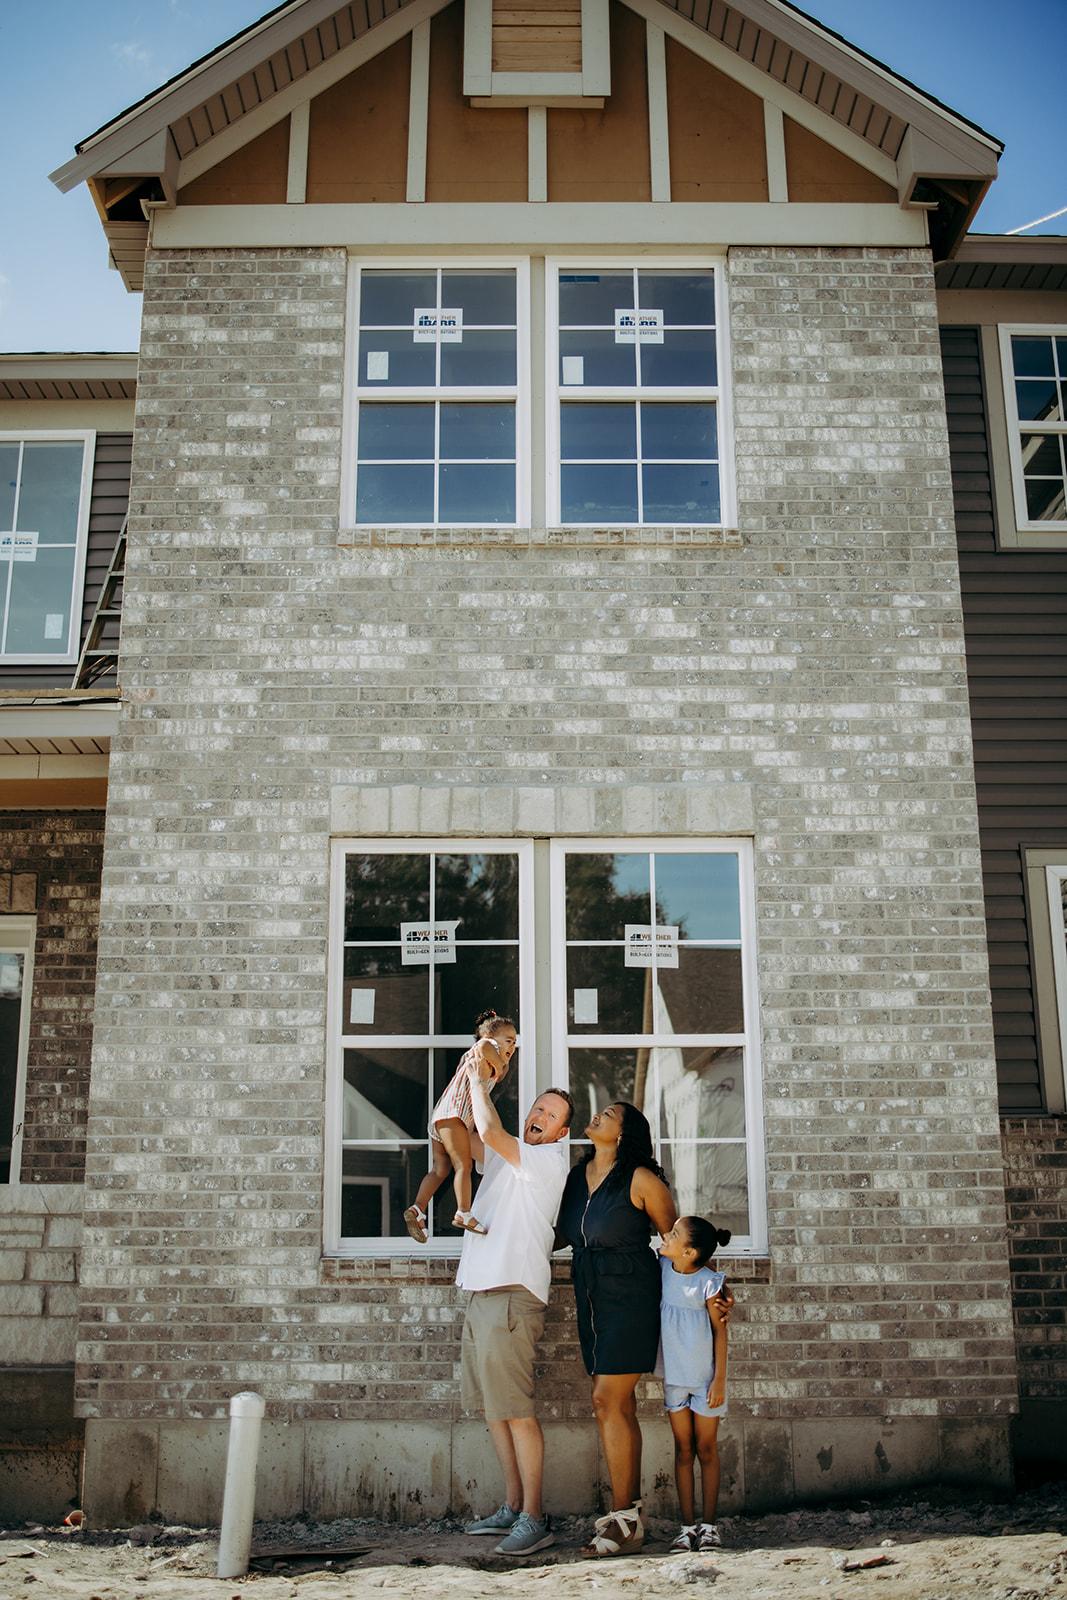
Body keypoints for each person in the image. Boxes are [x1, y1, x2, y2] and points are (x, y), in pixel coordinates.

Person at [457, 1051, 574, 1558]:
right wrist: (466, 1077)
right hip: (481, 1291)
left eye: (550, 1115)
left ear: (563, 1133)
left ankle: (534, 1517)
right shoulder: (507, 1161)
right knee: (493, 1411)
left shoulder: (548, 1161)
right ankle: (510, 1506)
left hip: (512, 1295)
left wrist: (482, 1084)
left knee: (518, 1412)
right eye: (537, 1109)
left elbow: (489, 1134)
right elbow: (465, 1138)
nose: (539, 1117)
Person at [555, 1101, 676, 1559]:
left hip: (631, 1295)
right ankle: (630, 1520)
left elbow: (675, 1240)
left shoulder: (642, 1179)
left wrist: (704, 1297)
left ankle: (624, 1516)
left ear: (624, 1133)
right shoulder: (575, 1176)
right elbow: (560, 1233)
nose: (597, 1116)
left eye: (609, 1114)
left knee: (607, 1399)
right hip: (589, 1294)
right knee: (616, 1404)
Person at [403, 1009, 516, 1242]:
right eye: (509, 1041)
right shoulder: (485, 1048)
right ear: (492, 1038)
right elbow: (486, 1048)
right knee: (463, 1164)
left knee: (440, 1169)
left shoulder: (487, 1060)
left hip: (441, 1118)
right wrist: (501, 1062)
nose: (512, 1046)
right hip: (454, 1115)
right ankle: (463, 1212)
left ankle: (417, 1209)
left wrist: (501, 1065)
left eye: (515, 1042)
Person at [657, 1215, 732, 1552]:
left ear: (689, 1252)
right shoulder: (662, 1268)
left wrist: (719, 1380)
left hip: (704, 1381)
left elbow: (721, 1333)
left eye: (673, 1234)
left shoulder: (710, 1284)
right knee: (683, 1451)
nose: (666, 1236)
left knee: (707, 1449)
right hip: (675, 1380)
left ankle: (710, 1526)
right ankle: (686, 1528)